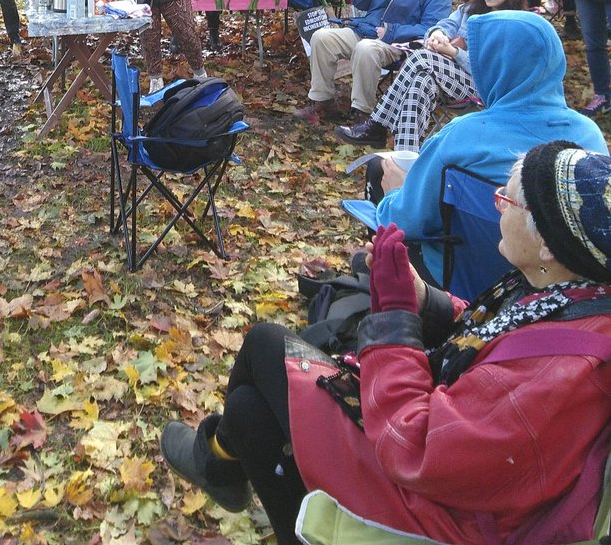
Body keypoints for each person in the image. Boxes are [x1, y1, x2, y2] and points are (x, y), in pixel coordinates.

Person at [161, 142, 611, 545]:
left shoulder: (559, 376)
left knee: (264, 344)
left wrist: (394, 316)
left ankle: (217, 464)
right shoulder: (575, 296)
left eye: (506, 200)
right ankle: (223, 466)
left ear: (550, 245)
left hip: (439, 510)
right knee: (247, 411)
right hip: (459, 466)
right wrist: (424, 301)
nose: (497, 208)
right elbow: (493, 339)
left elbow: (415, 447)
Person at [373, 10, 606, 283]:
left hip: (458, 284)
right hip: (561, 287)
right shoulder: (589, 137)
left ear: (495, 65)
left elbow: (407, 222)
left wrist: (394, 194)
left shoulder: (461, 136)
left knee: (379, 178)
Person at [334, 0, 527, 150]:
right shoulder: (469, 10)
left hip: (485, 88)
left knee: (422, 58)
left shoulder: (517, 24)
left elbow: (489, 70)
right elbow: (444, 24)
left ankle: (377, 124)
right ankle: (406, 157)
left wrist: (453, 52)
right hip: (447, 78)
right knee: (421, 81)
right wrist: (438, 35)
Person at [293, 0, 452, 127]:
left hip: (398, 43)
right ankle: (322, 100)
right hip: (367, 29)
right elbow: (358, 1)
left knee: (365, 48)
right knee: (322, 37)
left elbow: (431, 27)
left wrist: (392, 32)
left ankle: (364, 113)